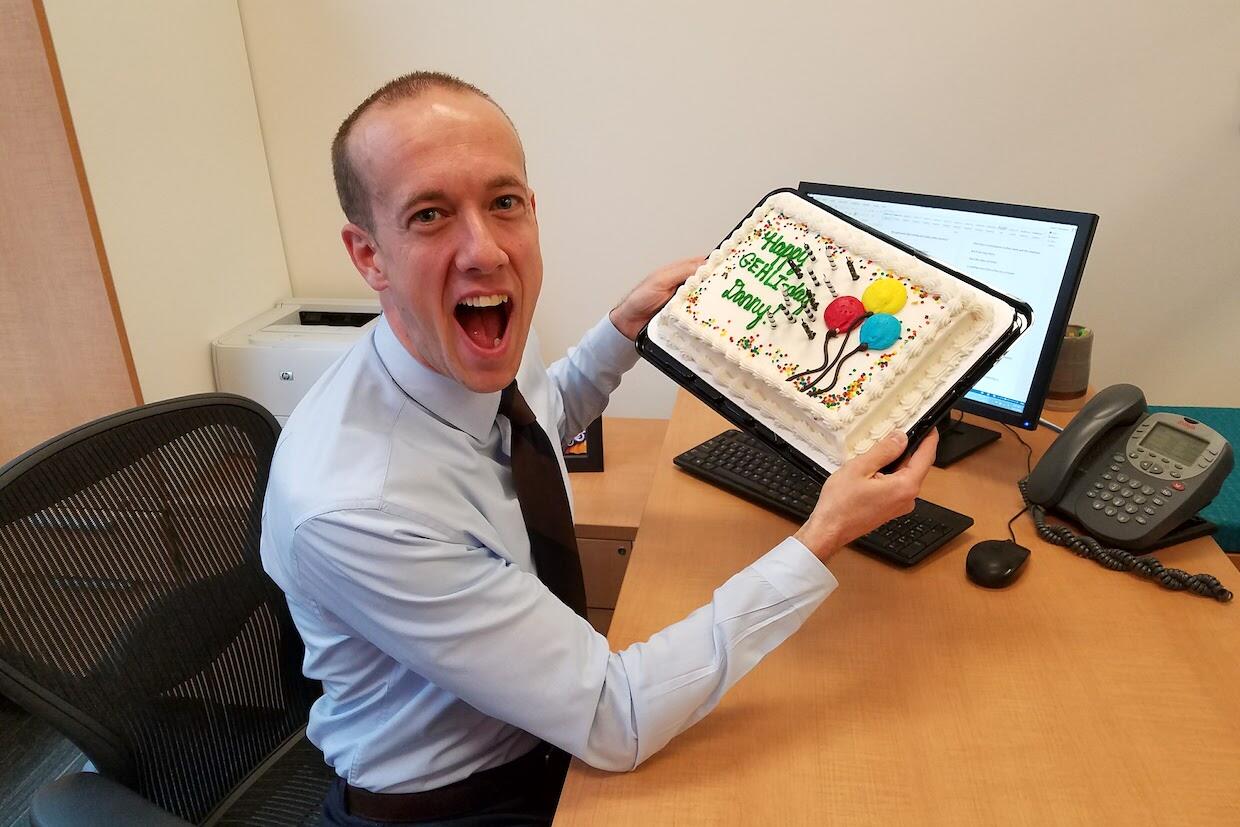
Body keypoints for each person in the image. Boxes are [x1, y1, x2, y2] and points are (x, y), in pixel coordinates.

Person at [260, 71, 939, 826]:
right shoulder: (357, 504)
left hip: (555, 733)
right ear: (369, 255)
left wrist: (624, 329)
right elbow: (615, 720)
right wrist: (823, 536)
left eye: (503, 202)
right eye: (429, 215)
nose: (484, 250)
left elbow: (535, 423)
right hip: (457, 805)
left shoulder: (477, 337)